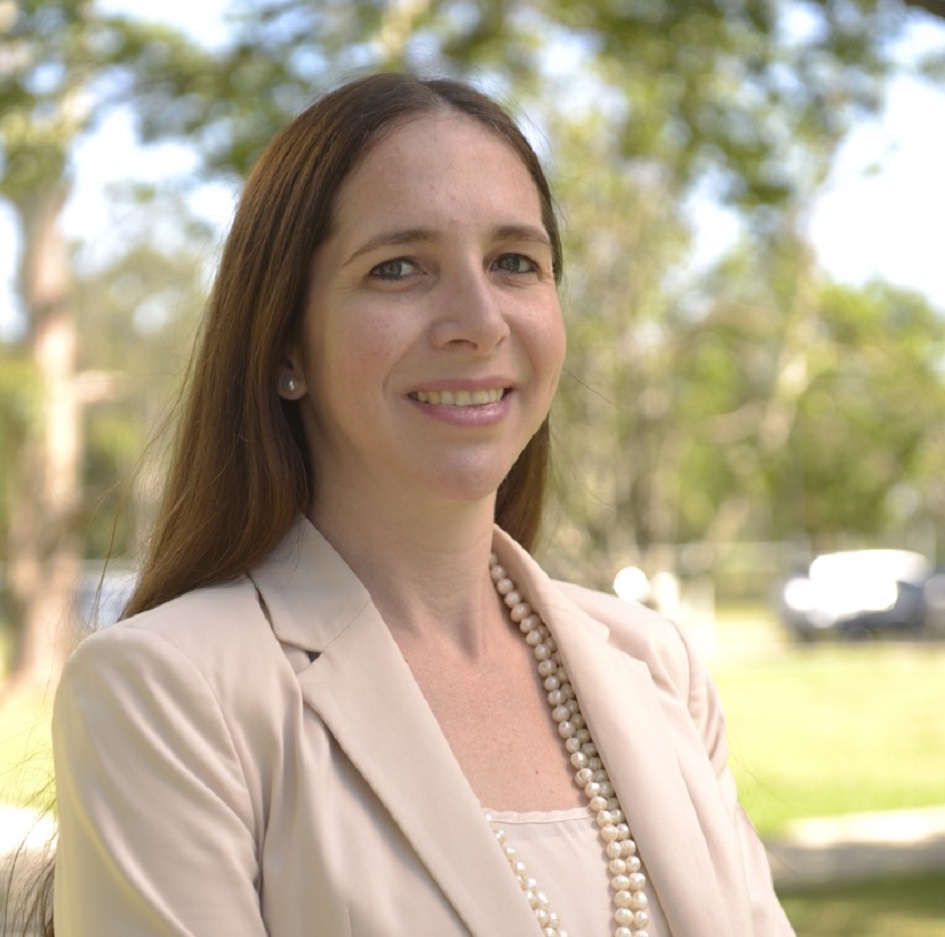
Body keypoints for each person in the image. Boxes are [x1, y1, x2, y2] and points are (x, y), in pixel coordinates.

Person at [47, 72, 795, 936]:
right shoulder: (168, 691)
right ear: (283, 340)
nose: (477, 319)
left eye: (514, 262)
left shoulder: (656, 667)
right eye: (398, 268)